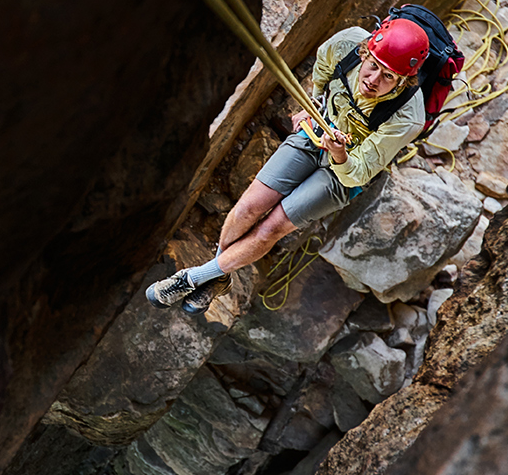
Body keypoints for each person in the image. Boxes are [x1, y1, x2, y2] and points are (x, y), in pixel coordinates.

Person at [147, 17, 433, 313]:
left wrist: (339, 154)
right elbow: (323, 72)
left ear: (403, 81)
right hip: (317, 131)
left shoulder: (408, 117)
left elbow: (358, 172)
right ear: (365, 52)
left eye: (388, 77)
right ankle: (218, 277)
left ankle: (190, 278)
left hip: (345, 173)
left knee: (272, 228)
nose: (373, 80)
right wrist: (312, 105)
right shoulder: (347, 44)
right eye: (373, 65)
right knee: (248, 208)